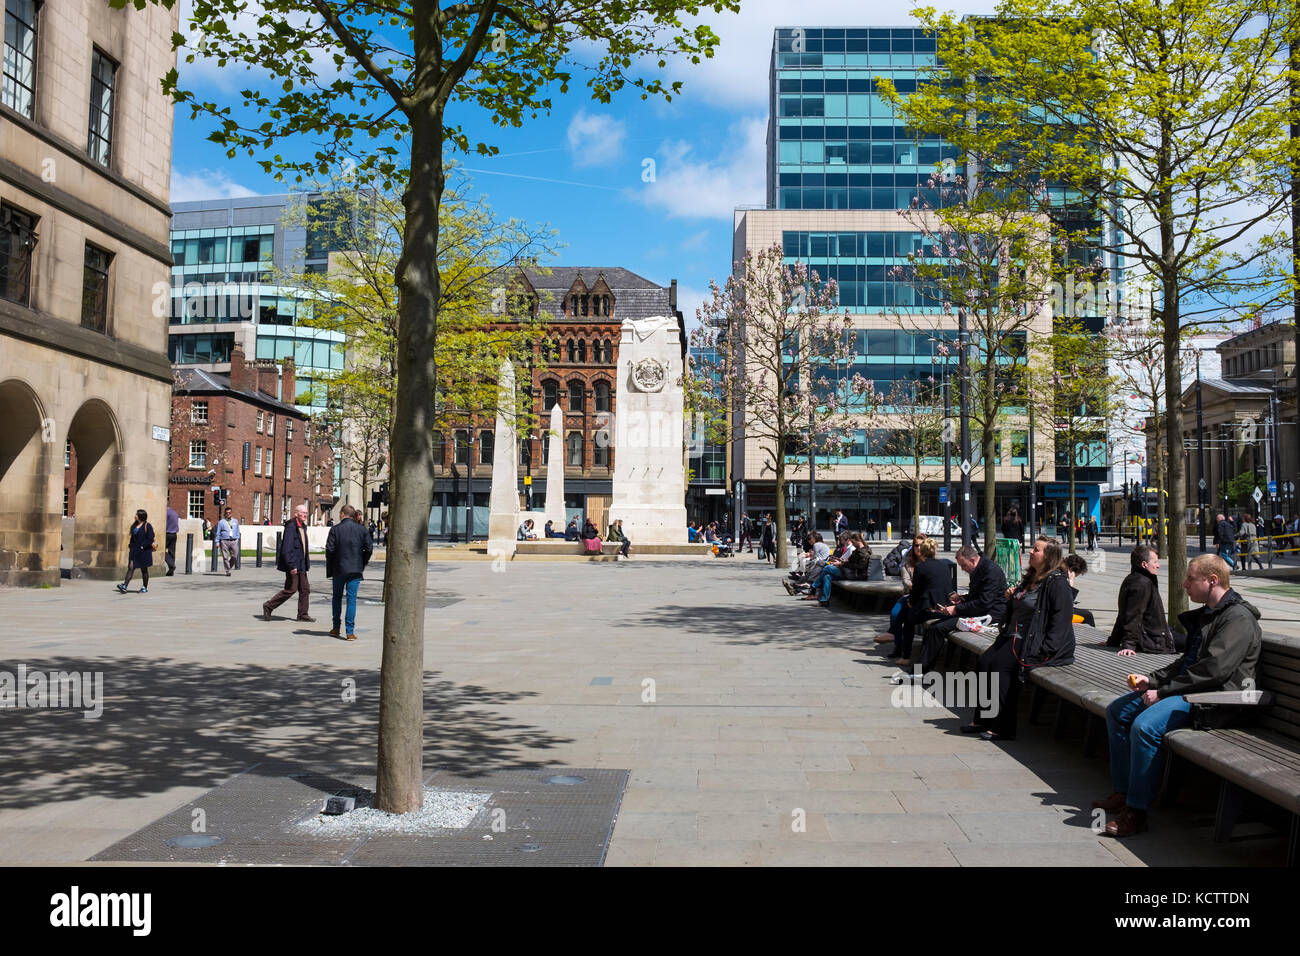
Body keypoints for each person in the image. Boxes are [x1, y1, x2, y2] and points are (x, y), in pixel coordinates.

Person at [1095, 554, 1262, 838]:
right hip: (1191, 690)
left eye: (1190, 579)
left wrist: (1161, 692)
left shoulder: (1237, 619)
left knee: (1145, 727)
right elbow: (1188, 662)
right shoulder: (1213, 614)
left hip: (1214, 700)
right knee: (1117, 711)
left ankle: (1136, 811)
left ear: (1212, 581)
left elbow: (1214, 672)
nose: (1184, 585)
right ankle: (1124, 792)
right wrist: (1153, 679)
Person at [963, 536, 1075, 740]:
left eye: (1037, 550)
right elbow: (1020, 606)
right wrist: (1011, 596)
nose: (1031, 552)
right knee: (984, 662)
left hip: (1033, 641)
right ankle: (983, 718)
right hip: (1013, 635)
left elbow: (1061, 621)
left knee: (1000, 668)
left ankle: (1003, 726)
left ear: (1049, 556)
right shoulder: (1030, 578)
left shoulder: (1057, 583)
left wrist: (1046, 649)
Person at [914, 544, 1009, 677]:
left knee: (938, 628)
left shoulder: (990, 571)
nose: (963, 569)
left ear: (973, 561)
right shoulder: (978, 569)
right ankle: (921, 667)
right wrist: (961, 598)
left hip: (989, 616)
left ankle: (921, 670)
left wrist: (957, 609)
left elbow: (984, 603)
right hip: (978, 611)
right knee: (934, 625)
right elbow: (976, 597)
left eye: (964, 566)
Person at [1106, 545, 1175, 657]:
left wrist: (1113, 641)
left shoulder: (1134, 578)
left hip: (1154, 636)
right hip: (1153, 640)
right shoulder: (1142, 583)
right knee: (1197, 642)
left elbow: (1123, 615)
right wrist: (1129, 645)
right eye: (1155, 562)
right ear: (1144, 564)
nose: (1158, 566)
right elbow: (1133, 616)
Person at [895, 538, 951, 668]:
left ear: (923, 552)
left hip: (929, 608)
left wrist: (911, 602)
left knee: (908, 621)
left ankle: (906, 656)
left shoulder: (921, 567)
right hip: (943, 607)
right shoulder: (944, 565)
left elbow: (916, 590)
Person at [325, 504, 372, 641]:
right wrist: (362, 562)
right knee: (351, 600)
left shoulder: (335, 529)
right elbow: (369, 548)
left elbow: (329, 549)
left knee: (337, 598)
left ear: (342, 514)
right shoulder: (362, 530)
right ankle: (350, 631)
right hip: (355, 569)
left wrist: (333, 563)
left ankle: (336, 627)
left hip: (339, 569)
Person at [263, 503, 314, 623]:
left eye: (306, 513)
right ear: (296, 513)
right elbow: (286, 548)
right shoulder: (291, 526)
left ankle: (302, 614)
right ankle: (269, 606)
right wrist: (291, 565)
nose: (305, 515)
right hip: (294, 564)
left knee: (305, 589)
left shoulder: (303, 526)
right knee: (291, 589)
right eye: (302, 512)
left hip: (301, 564)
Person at [116, 509, 156, 594]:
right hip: (134, 551)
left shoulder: (147, 526)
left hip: (143, 552)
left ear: (141, 516)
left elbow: (150, 538)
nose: (135, 516)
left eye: (136, 515)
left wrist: (142, 546)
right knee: (131, 567)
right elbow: (133, 537)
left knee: (144, 570)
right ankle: (124, 586)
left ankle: (144, 587)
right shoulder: (135, 525)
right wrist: (130, 545)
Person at [215, 506, 241, 575]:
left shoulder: (235, 521)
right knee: (225, 557)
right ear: (225, 514)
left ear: (231, 513)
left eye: (230, 513)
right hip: (224, 541)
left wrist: (237, 539)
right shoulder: (221, 522)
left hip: (234, 540)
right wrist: (217, 542)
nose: (228, 514)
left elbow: (238, 531)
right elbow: (218, 532)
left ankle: (228, 567)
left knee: (235, 556)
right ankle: (228, 571)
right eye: (227, 513)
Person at [164, 505, 180, 576]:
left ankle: (171, 565)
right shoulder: (174, 512)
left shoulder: (165, 512)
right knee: (172, 552)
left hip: (167, 534)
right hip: (174, 534)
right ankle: (171, 570)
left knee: (160, 550)